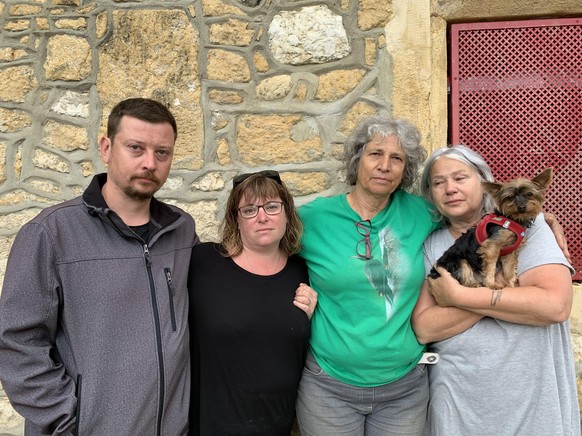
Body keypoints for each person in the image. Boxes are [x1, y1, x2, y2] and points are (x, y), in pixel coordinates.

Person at [0, 98, 199, 435]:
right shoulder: (51, 233)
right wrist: (66, 423)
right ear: (106, 148)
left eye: (162, 153)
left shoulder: (181, 231)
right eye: (135, 148)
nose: (150, 163)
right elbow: (17, 342)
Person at [411, 145, 579, 435]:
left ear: (485, 183)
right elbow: (425, 328)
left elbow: (554, 306)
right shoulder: (432, 244)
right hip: (458, 405)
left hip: (534, 402)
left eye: (460, 178)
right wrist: (507, 299)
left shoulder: (532, 228)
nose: (450, 188)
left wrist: (458, 297)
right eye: (438, 183)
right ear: (431, 194)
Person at [295, 116, 441, 435]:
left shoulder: (422, 213)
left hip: (404, 390)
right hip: (328, 388)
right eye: (376, 154)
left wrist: (539, 225)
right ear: (357, 159)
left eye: (397, 158)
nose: (385, 165)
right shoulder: (314, 219)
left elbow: (473, 219)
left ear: (406, 169)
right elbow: (261, 247)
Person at [188, 170, 318, 436]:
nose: (262, 217)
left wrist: (313, 313)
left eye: (272, 206)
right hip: (214, 424)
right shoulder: (203, 263)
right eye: (249, 210)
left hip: (279, 423)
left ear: (286, 214)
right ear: (236, 219)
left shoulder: (304, 271)